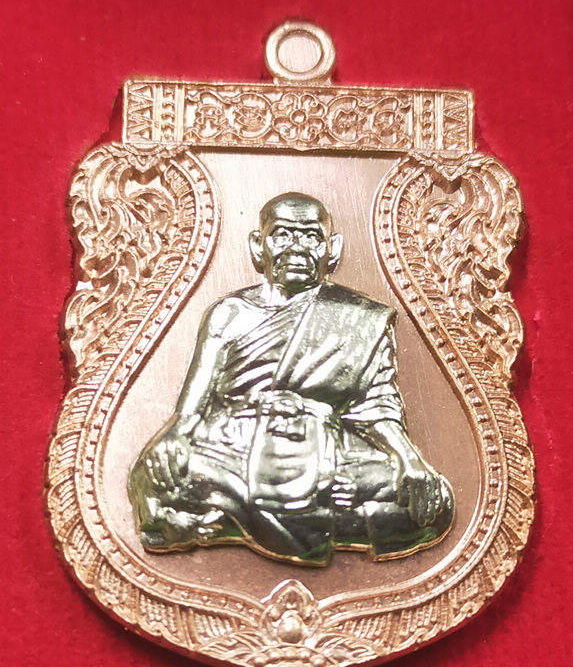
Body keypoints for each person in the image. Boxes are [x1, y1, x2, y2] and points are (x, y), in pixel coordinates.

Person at [128, 193, 454, 565]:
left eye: (311, 237)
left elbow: (377, 407)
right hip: (236, 449)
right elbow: (191, 411)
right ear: (258, 245)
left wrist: (410, 462)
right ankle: (322, 519)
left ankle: (226, 521)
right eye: (282, 235)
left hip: (325, 449)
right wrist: (172, 440)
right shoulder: (230, 313)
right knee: (152, 475)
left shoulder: (361, 316)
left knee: (435, 504)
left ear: (332, 248)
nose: (297, 248)